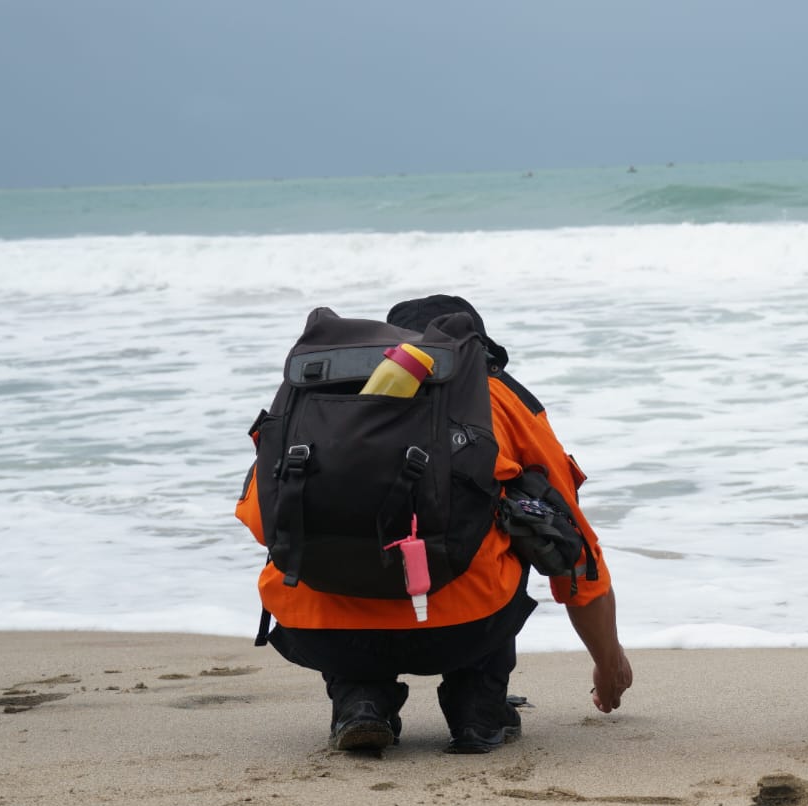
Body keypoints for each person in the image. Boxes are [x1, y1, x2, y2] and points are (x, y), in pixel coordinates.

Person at [235, 295, 632, 753]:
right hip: (463, 629)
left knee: (338, 548)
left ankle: (360, 700)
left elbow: (259, 517)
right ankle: (477, 708)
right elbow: (572, 539)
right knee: (523, 513)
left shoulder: (320, 396)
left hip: (320, 631)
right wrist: (609, 662)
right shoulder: (495, 393)